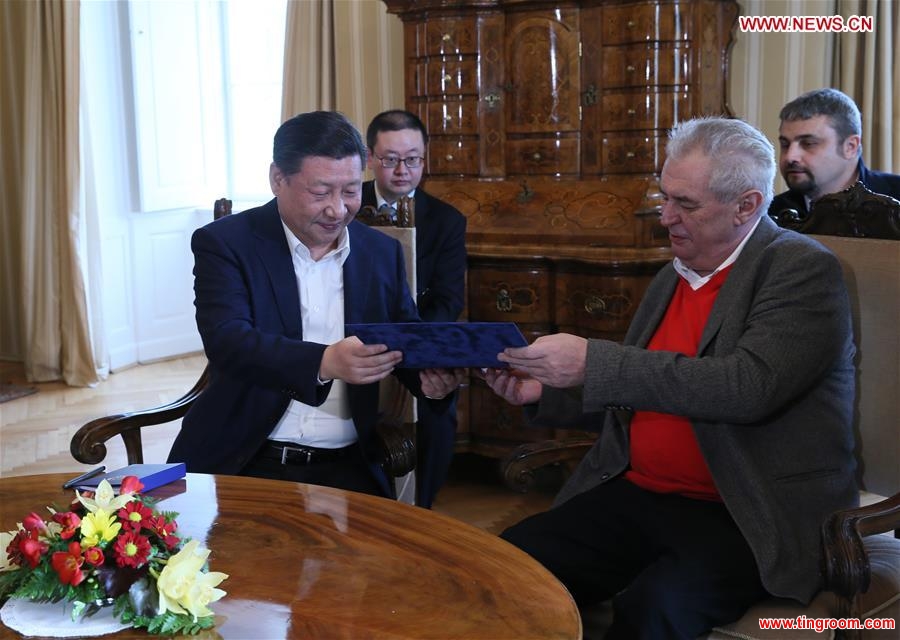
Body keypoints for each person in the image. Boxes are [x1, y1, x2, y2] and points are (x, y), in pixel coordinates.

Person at [484, 117, 858, 639]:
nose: (665, 217)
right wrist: (547, 392)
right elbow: (643, 392)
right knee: (503, 569)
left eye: (686, 204)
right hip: (637, 493)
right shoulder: (671, 276)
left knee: (653, 608)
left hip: (745, 510)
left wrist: (594, 361)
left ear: (747, 206)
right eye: (665, 197)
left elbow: (746, 388)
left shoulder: (799, 269)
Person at [167, 111, 463, 498]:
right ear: (278, 179)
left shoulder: (380, 252)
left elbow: (401, 337)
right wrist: (324, 362)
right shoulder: (227, 244)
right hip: (249, 458)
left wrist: (430, 380)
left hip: (350, 462)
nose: (338, 209)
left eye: (352, 190)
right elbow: (228, 339)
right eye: (321, 192)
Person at [360, 109, 467, 508]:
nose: (402, 170)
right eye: (390, 159)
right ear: (371, 158)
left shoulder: (447, 221)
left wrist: (413, 342)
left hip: (416, 334)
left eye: (413, 159)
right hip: (351, 334)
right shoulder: (347, 206)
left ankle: (421, 507)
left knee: (440, 396)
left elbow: (448, 299)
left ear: (425, 158)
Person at [769, 87, 900, 220]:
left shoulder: (896, 198)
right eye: (785, 145)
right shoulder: (769, 213)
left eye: (808, 143)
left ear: (850, 147)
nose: (790, 156)